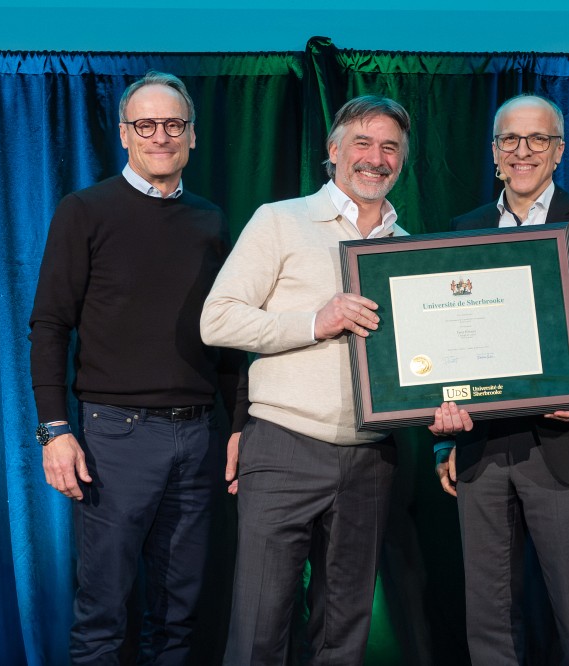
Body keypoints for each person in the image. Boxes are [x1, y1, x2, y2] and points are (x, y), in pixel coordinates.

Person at [29, 71, 248, 664]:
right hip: (114, 437)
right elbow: (49, 324)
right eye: (146, 125)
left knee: (179, 618)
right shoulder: (85, 211)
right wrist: (55, 430)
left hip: (198, 435)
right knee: (102, 615)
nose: (160, 136)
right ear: (125, 134)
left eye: (173, 124)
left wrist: (237, 426)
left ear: (192, 136)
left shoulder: (210, 220)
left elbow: (227, 337)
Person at [431, 94, 569, 665]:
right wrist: (444, 437)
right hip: (481, 449)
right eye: (510, 140)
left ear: (557, 152)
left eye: (537, 140)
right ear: (495, 154)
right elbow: (450, 345)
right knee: (488, 625)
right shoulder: (466, 227)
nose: (523, 150)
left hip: (567, 444)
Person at [199, 95, 411, 665]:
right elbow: (216, 318)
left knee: (344, 635)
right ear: (334, 151)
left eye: (390, 146)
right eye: (362, 143)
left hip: (371, 457)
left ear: (403, 161)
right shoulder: (281, 220)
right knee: (259, 626)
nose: (376, 157)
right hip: (284, 446)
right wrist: (317, 322)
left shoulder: (410, 249)